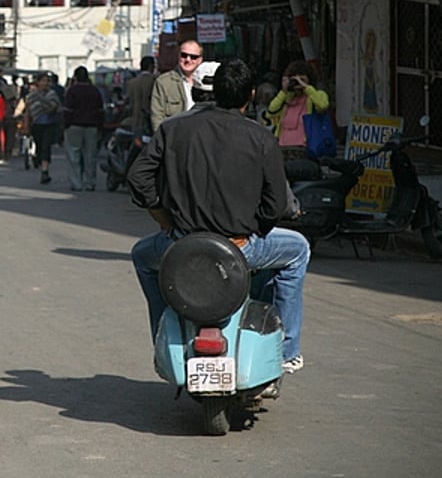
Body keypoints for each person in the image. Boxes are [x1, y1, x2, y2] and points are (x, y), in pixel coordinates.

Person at [127, 59, 309, 375]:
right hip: (241, 246)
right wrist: (258, 229)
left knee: (142, 256)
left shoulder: (173, 129)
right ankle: (288, 350)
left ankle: (161, 336)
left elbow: (138, 179)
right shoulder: (260, 136)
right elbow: (277, 204)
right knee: (298, 251)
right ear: (250, 95)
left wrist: (164, 219)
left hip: (181, 245)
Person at [266, 60, 330, 160]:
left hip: (305, 149)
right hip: (283, 148)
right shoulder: (287, 98)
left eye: (302, 78)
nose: (297, 82)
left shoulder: (316, 95)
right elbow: (271, 112)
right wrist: (283, 91)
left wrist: (306, 87)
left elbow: (322, 105)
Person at [62, 66, 104, 191]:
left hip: (74, 126)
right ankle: (90, 183)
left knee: (74, 154)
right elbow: (100, 111)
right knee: (90, 156)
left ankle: (76, 183)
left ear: (76, 77)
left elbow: (68, 111)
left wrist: (65, 125)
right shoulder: (95, 91)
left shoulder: (72, 91)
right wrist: (100, 127)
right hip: (92, 126)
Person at [149, 39, 201, 132]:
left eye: (193, 57)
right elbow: (157, 117)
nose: (188, 60)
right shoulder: (164, 82)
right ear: (178, 56)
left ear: (200, 60)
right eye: (184, 55)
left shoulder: (207, 81)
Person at [25, 73, 62, 184]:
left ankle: (45, 172)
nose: (45, 83)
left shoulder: (52, 94)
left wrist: (52, 108)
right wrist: (26, 124)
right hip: (36, 124)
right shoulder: (32, 96)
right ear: (38, 82)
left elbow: (56, 107)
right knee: (40, 146)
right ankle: (39, 160)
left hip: (49, 124)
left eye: (47, 81)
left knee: (46, 147)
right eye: (43, 81)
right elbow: (28, 111)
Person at [123, 56, 156, 134]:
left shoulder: (132, 83)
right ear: (151, 66)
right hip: (150, 122)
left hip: (135, 121)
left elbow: (127, 101)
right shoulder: (155, 81)